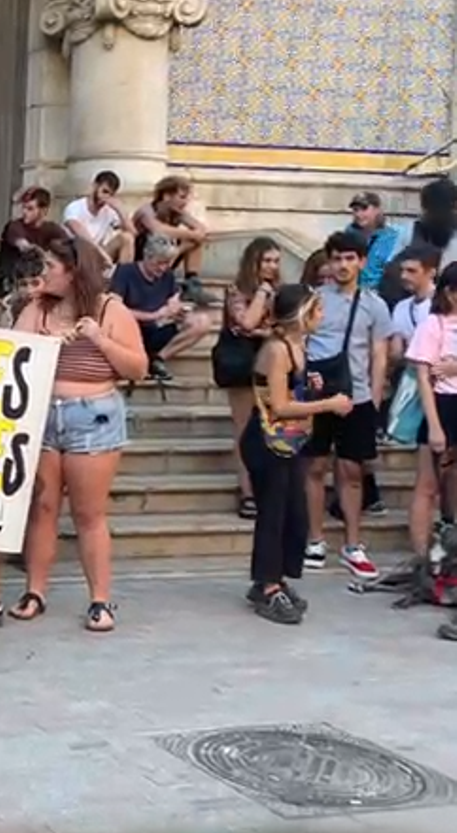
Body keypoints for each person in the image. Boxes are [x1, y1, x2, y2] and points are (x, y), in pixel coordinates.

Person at [0, 236, 147, 633]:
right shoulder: (37, 308)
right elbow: (12, 351)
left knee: (88, 513)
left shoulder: (110, 309)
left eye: (50, 267)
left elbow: (137, 368)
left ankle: (99, 598)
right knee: (42, 507)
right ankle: (35, 590)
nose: (42, 274)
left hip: (91, 415)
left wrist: (98, 338)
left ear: (74, 270)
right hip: (42, 414)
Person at [242, 284, 353, 624]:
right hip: (267, 441)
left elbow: (292, 388)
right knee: (274, 513)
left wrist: (310, 385)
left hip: (289, 443)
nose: (321, 316)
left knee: (295, 514)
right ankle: (267, 584)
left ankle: (278, 578)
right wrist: (329, 405)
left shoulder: (297, 346)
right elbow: (280, 405)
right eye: (316, 310)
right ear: (300, 314)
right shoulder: (276, 350)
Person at [302, 231, 390, 581]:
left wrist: (375, 398)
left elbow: (379, 354)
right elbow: (301, 342)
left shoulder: (374, 304)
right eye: (337, 258)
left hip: (358, 396)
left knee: (353, 470)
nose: (342, 265)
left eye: (350, 258)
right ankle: (315, 539)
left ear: (362, 262)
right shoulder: (314, 299)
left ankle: (353, 544)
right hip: (319, 395)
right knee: (314, 466)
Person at [213, 237, 283, 519]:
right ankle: (248, 492)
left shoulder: (280, 291)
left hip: (271, 364)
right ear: (253, 261)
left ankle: (267, 486)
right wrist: (263, 292)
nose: (272, 266)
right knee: (244, 429)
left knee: (271, 427)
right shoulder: (237, 290)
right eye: (266, 260)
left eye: (276, 261)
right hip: (242, 363)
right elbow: (247, 323)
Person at [111, 234, 216, 380]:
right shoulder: (125, 272)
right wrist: (155, 315)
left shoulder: (167, 276)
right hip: (129, 332)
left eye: (167, 263)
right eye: (159, 263)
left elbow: (173, 301)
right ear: (147, 256)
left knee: (202, 321)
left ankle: (158, 359)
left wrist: (179, 311)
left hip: (155, 331)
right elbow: (114, 309)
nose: (162, 268)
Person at [406, 263, 457, 561]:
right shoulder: (433, 325)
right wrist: (435, 426)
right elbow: (424, 377)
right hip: (443, 403)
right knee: (427, 484)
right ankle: (422, 558)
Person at [131, 175, 214, 306]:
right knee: (189, 237)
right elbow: (157, 230)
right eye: (181, 197)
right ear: (166, 196)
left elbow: (202, 229)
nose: (185, 202)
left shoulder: (178, 213)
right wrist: (192, 234)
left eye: (186, 197)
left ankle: (192, 284)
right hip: (143, 257)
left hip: (167, 255)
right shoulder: (146, 211)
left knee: (195, 241)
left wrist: (179, 249)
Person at [0, 186, 68, 287]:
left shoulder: (52, 228)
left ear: (43, 211)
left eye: (30, 208)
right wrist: (43, 255)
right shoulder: (15, 226)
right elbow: (24, 246)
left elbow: (68, 246)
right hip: (12, 278)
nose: (24, 212)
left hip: (37, 277)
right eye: (24, 208)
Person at [63, 170, 135, 267]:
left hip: (99, 256)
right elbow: (82, 236)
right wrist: (102, 254)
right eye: (104, 191)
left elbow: (133, 234)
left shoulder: (109, 211)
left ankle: (122, 278)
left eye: (110, 194)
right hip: (77, 255)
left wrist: (120, 210)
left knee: (127, 238)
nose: (105, 197)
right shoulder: (75, 207)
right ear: (95, 186)